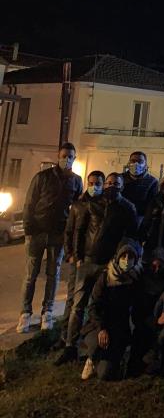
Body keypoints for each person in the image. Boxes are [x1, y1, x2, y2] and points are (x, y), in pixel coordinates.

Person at [56, 171, 137, 364]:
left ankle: (99, 342)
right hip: (87, 262)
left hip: (108, 266)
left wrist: (118, 261)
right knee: (78, 305)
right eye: (108, 183)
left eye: (115, 183)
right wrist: (77, 256)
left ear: (121, 186)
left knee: (103, 304)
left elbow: (130, 236)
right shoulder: (93, 204)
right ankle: (70, 346)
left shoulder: (127, 208)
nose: (111, 186)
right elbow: (80, 230)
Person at [17, 142, 83, 334]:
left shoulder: (76, 181)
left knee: (52, 276)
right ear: (58, 156)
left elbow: (77, 208)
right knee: (30, 276)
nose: (67, 159)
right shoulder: (42, 177)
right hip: (37, 233)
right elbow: (29, 203)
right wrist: (29, 230)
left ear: (74, 158)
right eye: (64, 155)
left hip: (58, 235)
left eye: (70, 156)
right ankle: (25, 313)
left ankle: (48, 311)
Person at [53, 170, 105, 351]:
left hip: (93, 259)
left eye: (98, 183)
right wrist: (70, 254)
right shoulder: (78, 205)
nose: (94, 186)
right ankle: (65, 336)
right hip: (78, 259)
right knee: (72, 300)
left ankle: (85, 335)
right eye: (91, 183)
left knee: (91, 300)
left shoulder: (104, 205)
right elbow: (69, 231)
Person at [79, 238, 143, 381]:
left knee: (105, 374)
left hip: (119, 330)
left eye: (130, 257)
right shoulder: (105, 278)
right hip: (98, 327)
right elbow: (93, 307)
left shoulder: (134, 279)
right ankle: (91, 358)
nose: (127, 260)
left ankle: (112, 359)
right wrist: (101, 328)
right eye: (123, 256)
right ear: (117, 257)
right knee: (96, 345)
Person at [129, 246, 164, 376]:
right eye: (154, 266)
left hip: (163, 326)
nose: (157, 270)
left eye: (160, 266)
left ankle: (161, 365)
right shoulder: (142, 282)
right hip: (145, 324)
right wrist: (155, 321)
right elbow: (137, 314)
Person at [121, 151, 159, 228]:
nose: (136, 164)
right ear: (128, 163)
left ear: (145, 165)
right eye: (133, 161)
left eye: (140, 161)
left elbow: (151, 204)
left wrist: (145, 223)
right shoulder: (120, 178)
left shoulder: (152, 181)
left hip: (139, 219)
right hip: (120, 217)